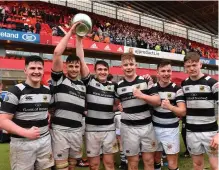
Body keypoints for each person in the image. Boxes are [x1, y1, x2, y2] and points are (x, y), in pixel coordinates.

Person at [0, 55, 54, 170]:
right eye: (32, 68)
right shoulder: (15, 91)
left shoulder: (48, 91)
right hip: (22, 142)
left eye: (39, 68)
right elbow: (2, 121)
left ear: (43, 71)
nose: (36, 71)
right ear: (25, 70)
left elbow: (48, 109)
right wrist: (25, 132)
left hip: (45, 141)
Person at [50, 22, 86, 170]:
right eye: (70, 66)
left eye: (76, 66)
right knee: (61, 167)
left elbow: (82, 59)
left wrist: (79, 39)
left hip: (77, 131)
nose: (74, 69)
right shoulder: (59, 79)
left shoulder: (84, 85)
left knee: (72, 165)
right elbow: (57, 53)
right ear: (66, 66)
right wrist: (70, 32)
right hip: (60, 130)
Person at [115, 53, 161, 170]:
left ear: (136, 65)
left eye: (131, 64)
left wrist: (143, 96)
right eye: (126, 65)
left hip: (146, 127)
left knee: (149, 161)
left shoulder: (145, 81)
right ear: (121, 67)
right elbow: (116, 102)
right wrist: (119, 106)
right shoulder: (118, 86)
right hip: (128, 129)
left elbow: (157, 101)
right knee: (133, 162)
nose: (129, 67)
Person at [77, 47, 119, 169]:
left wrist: (116, 108)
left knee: (109, 163)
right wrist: (79, 41)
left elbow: (116, 104)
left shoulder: (114, 86)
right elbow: (81, 60)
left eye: (105, 69)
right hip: (91, 130)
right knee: (94, 165)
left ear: (108, 71)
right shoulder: (89, 82)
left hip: (109, 129)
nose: (102, 72)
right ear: (94, 71)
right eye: (99, 69)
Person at [181, 52, 218, 170]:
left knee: (215, 165)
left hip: (211, 132)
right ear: (185, 67)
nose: (191, 68)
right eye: (188, 66)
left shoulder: (212, 83)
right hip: (192, 132)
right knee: (197, 165)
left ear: (200, 64)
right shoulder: (184, 84)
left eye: (194, 65)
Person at [152, 60, 186, 170]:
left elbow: (183, 111)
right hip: (154, 128)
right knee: (156, 158)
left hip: (171, 129)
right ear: (158, 73)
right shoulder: (152, 88)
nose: (166, 73)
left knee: (172, 162)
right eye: (163, 71)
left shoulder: (177, 89)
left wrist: (170, 107)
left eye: (169, 71)